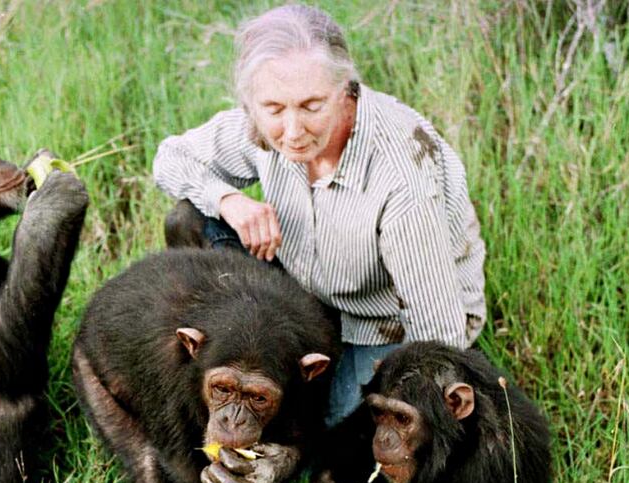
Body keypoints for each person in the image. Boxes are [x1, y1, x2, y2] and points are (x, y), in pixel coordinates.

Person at [153, 4, 486, 426]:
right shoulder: (260, 125)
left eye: (312, 106)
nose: (292, 131)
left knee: (329, 436)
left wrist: (428, 392)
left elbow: (436, 326)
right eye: (274, 109)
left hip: (383, 320)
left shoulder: (400, 177)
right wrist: (229, 201)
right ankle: (228, 358)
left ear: (346, 89)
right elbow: (170, 158)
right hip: (305, 288)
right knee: (188, 219)